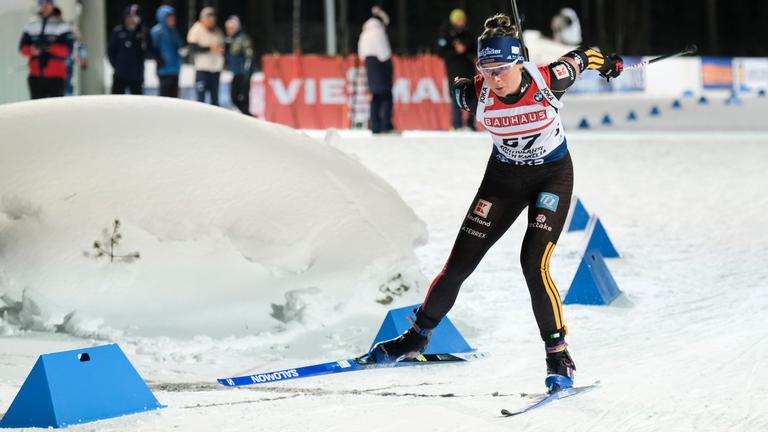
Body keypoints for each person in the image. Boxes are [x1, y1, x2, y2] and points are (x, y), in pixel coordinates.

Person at [360, 14, 623, 394]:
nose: (495, 78)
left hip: (551, 178)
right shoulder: (474, 93)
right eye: (486, 68)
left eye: (502, 68)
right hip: (502, 182)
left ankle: (558, 355)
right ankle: (416, 337)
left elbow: (587, 54)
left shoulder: (551, 79)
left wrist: (609, 62)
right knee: (458, 265)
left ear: (519, 62)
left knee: (533, 263)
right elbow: (458, 84)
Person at [18, 0, 74, 99]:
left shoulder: (63, 25)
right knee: (37, 110)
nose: (45, 5)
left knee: (55, 110)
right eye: (41, 2)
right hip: (35, 76)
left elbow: (68, 51)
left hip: (56, 76)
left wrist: (49, 47)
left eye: (48, 2)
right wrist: (32, 50)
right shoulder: (31, 25)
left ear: (53, 4)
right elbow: (22, 48)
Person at [437, 9, 476, 131]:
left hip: (469, 68)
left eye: (463, 19)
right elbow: (441, 52)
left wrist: (468, 53)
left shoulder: (468, 33)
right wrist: (456, 52)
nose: (462, 22)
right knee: (456, 95)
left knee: (471, 94)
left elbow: (474, 49)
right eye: (459, 19)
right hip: (454, 69)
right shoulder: (446, 33)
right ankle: (456, 124)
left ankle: (470, 124)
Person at [358, 6, 394, 134]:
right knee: (386, 95)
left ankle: (375, 126)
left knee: (375, 97)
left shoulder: (365, 32)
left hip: (369, 65)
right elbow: (384, 52)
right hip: (380, 65)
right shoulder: (378, 31)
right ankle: (386, 125)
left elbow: (361, 53)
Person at [108, 4, 150, 95]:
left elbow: (147, 51)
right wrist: (117, 65)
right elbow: (111, 51)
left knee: (137, 102)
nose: (131, 19)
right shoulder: (118, 32)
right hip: (120, 75)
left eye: (134, 17)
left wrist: (143, 36)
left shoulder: (143, 32)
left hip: (136, 75)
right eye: (128, 16)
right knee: (117, 101)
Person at [187, 7, 225, 106]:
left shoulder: (218, 31)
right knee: (201, 100)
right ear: (203, 19)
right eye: (208, 19)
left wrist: (220, 50)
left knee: (215, 100)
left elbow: (222, 47)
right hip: (202, 70)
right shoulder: (196, 29)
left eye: (213, 19)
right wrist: (209, 48)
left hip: (215, 70)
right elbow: (192, 48)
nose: (211, 21)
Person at [224, 15, 254, 115]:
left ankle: (248, 118)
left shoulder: (243, 38)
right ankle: (246, 117)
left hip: (243, 74)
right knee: (234, 98)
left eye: (231, 27)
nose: (229, 30)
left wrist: (247, 74)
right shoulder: (229, 39)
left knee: (243, 98)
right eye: (228, 28)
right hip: (236, 73)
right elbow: (229, 57)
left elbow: (249, 57)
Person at [150, 5, 182, 98]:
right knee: (164, 97)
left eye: (173, 17)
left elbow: (179, 45)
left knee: (174, 97)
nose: (172, 19)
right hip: (164, 70)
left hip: (175, 69)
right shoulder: (156, 31)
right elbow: (152, 48)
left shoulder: (174, 31)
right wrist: (159, 59)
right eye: (169, 17)